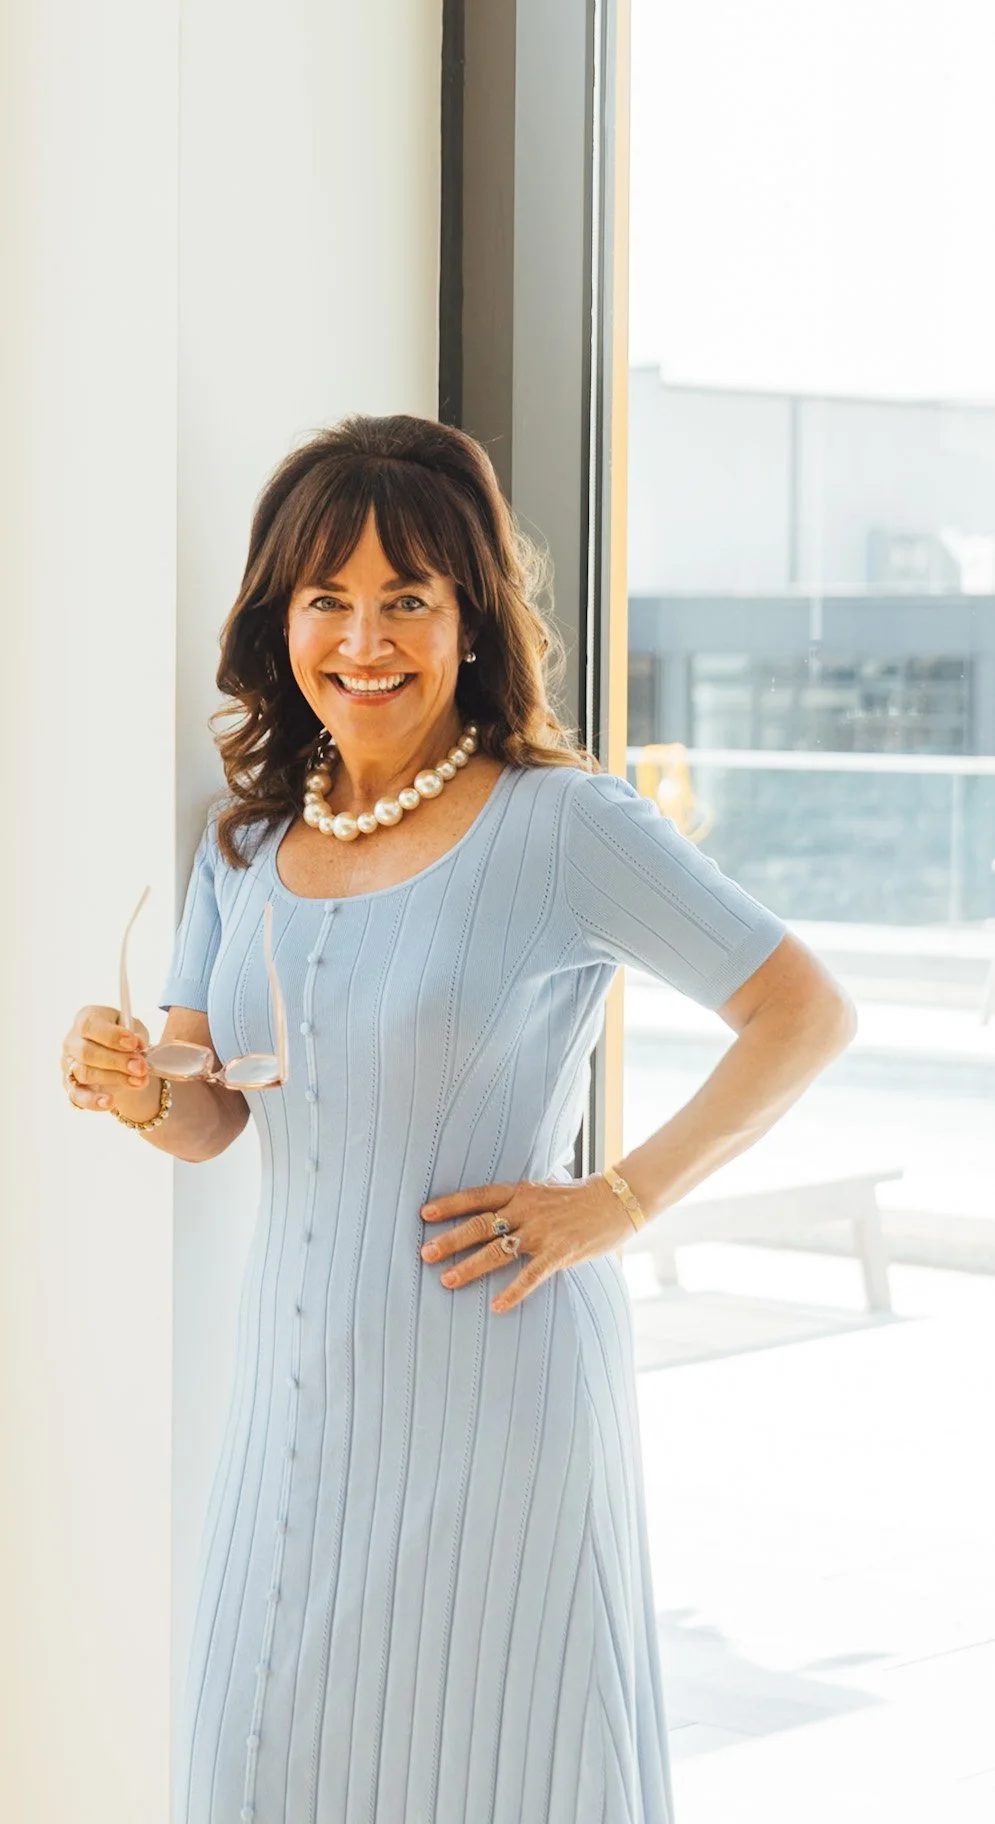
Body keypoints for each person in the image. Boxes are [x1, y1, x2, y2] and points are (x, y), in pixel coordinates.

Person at [61, 414, 855, 1824]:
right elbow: (204, 1117)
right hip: (288, 1404)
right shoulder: (242, 840)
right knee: (259, 1759)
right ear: (278, 621)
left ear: (472, 621)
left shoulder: (562, 826)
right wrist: (131, 1085)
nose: (363, 641)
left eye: (407, 601)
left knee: (503, 1762)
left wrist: (617, 1200)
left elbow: (801, 1014)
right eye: (328, 601)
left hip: (495, 1393)